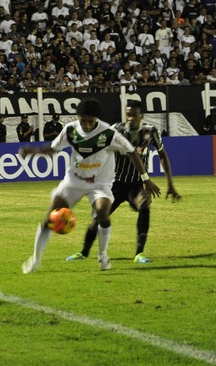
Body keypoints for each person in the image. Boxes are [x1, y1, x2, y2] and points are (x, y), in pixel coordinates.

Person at [19, 98, 160, 274]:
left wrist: (145, 178)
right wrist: (35, 151)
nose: (86, 125)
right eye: (82, 120)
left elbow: (132, 152)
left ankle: (102, 255)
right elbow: (55, 148)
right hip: (74, 181)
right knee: (48, 219)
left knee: (102, 212)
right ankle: (35, 260)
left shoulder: (109, 133)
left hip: (99, 184)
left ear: (97, 119)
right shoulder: (70, 130)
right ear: (78, 117)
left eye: (90, 121)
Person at [66, 100, 181, 265]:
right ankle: (83, 252)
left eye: (134, 115)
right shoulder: (116, 130)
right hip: (115, 184)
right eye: (128, 114)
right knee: (99, 216)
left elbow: (162, 155)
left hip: (137, 184)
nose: (130, 118)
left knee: (144, 205)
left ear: (142, 116)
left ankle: (139, 253)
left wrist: (170, 184)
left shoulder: (151, 131)